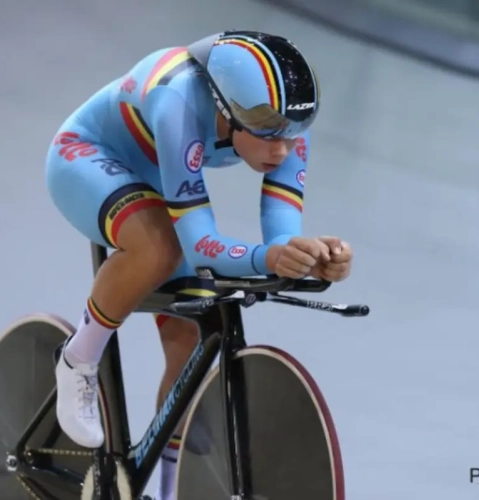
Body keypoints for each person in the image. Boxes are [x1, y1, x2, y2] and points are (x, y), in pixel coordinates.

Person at [45, 30, 353, 500]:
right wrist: (264, 257)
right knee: (159, 249)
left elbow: (281, 230)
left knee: (189, 349)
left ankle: (168, 491)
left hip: (156, 171)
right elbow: (203, 244)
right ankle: (77, 358)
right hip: (87, 157)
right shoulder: (179, 102)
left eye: (292, 134)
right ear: (227, 111)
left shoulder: (283, 126)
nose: (282, 150)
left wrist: (309, 257)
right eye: (269, 134)